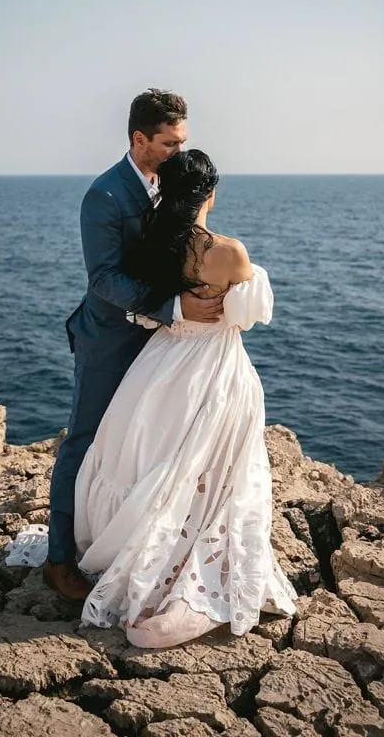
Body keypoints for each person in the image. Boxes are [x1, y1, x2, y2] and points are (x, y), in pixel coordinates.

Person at [73, 149, 297, 647]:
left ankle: (137, 545)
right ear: (210, 193)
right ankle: (191, 563)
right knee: (214, 468)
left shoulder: (153, 245)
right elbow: (246, 316)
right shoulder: (229, 253)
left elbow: (142, 302)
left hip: (160, 362)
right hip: (214, 366)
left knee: (156, 455)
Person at [44, 90, 225, 602]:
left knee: (146, 446)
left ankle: (122, 546)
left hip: (162, 344)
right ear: (139, 139)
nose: (178, 152)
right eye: (169, 144)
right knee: (83, 441)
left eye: (182, 142)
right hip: (109, 340)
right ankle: (59, 560)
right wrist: (174, 308)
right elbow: (104, 279)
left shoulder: (174, 182)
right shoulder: (103, 196)